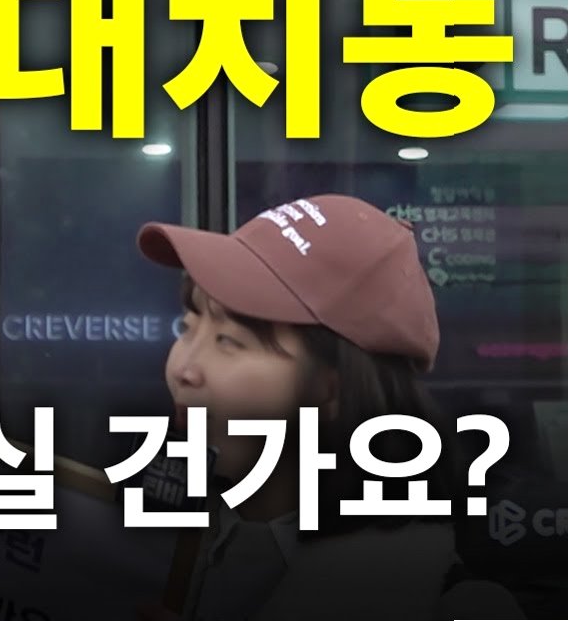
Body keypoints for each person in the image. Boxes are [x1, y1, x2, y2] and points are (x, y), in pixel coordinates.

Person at [134, 193, 522, 620]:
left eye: (229, 341)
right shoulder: (152, 549)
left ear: (333, 389)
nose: (183, 370)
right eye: (187, 328)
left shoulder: (450, 606)